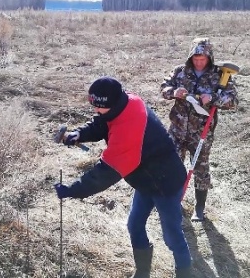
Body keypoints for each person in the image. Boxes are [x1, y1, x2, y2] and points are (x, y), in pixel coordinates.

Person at [54, 76, 192, 278]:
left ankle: (185, 274)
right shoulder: (125, 101)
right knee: (134, 225)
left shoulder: (129, 126)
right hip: (145, 181)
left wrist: (72, 190)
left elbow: (106, 173)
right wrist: (79, 134)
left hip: (166, 182)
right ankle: (142, 273)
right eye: (94, 106)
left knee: (172, 236)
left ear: (113, 103)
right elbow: (103, 121)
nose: (95, 111)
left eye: (99, 107)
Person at [160, 37, 238, 221]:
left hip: (202, 132)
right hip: (177, 129)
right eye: (195, 58)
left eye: (202, 59)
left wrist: (212, 98)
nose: (198, 62)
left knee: (200, 169)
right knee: (173, 166)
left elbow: (233, 101)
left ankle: (199, 207)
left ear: (209, 57)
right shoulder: (180, 71)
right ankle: (173, 203)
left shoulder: (219, 76)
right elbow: (164, 87)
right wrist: (173, 92)